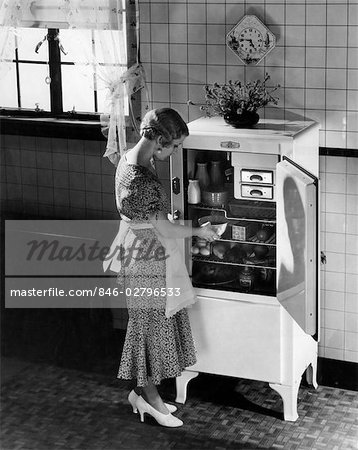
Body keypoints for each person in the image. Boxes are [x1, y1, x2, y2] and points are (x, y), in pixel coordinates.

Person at [105, 108, 218, 428]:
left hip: (135, 247)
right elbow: (164, 230)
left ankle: (142, 395)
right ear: (157, 140)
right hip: (145, 257)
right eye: (175, 145)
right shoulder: (143, 180)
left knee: (150, 324)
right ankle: (149, 400)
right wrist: (199, 231)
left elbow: (147, 219)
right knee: (146, 328)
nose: (176, 152)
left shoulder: (130, 159)